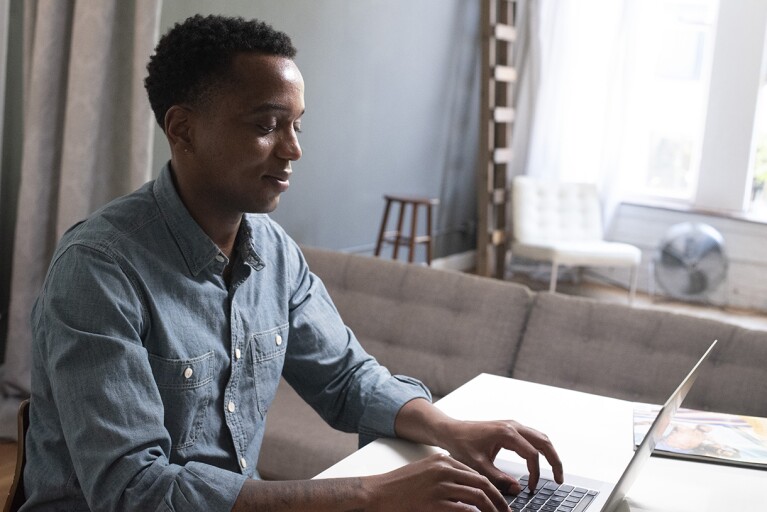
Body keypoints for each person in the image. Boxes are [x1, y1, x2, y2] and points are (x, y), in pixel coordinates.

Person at [22, 14, 563, 511]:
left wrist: (450, 429)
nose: (293, 149)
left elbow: (348, 380)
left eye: (297, 125)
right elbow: (134, 491)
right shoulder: (97, 271)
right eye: (267, 125)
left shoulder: (274, 252)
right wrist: (369, 494)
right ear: (182, 129)